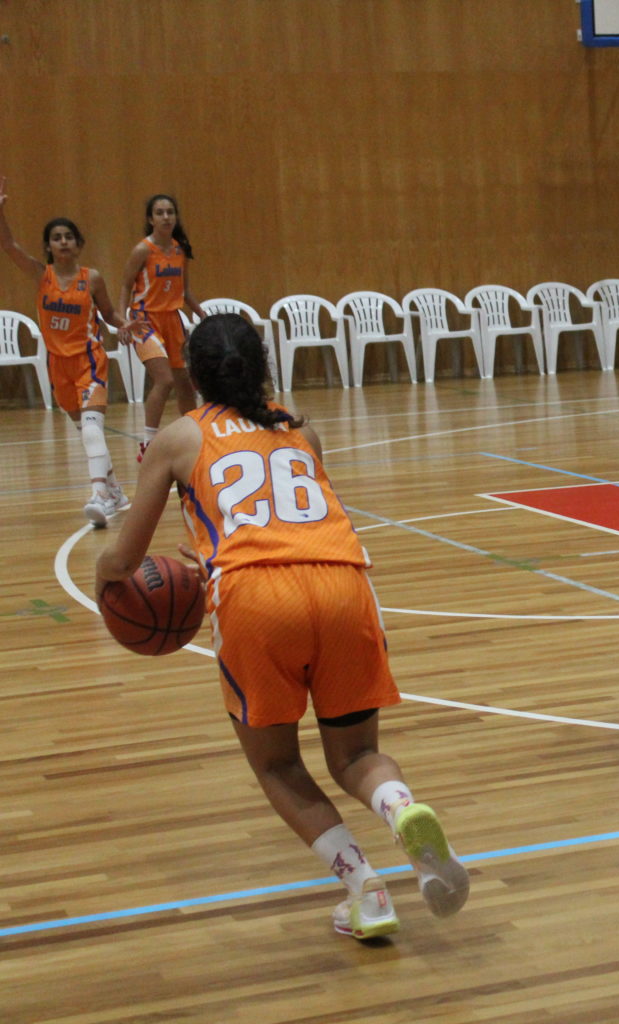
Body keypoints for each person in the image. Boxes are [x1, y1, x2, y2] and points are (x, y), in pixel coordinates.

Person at [94, 314, 469, 941]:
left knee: (278, 767)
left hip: (258, 600)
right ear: (263, 366)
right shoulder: (303, 429)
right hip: (345, 584)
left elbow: (125, 558)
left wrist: (107, 580)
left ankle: (366, 890)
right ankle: (402, 808)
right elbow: (291, 516)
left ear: (195, 371)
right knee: (357, 755)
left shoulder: (180, 438)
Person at [0, 175, 143, 526]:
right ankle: (116, 491)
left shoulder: (91, 278)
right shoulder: (41, 274)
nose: (63, 242)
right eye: (56, 238)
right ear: (49, 246)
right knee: (85, 431)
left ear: (78, 244)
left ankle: (99, 494)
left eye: (68, 237)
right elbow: (8, 245)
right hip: (57, 366)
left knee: (93, 430)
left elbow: (108, 313)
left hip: (88, 362)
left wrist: (122, 324)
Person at [120, 193, 207, 461]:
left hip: (173, 319)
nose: (166, 217)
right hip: (145, 319)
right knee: (165, 379)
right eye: (160, 212)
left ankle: (195, 432)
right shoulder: (143, 250)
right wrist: (124, 321)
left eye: (170, 212)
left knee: (184, 381)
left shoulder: (180, 250)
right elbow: (125, 285)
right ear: (151, 219)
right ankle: (148, 442)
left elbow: (185, 290)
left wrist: (204, 315)